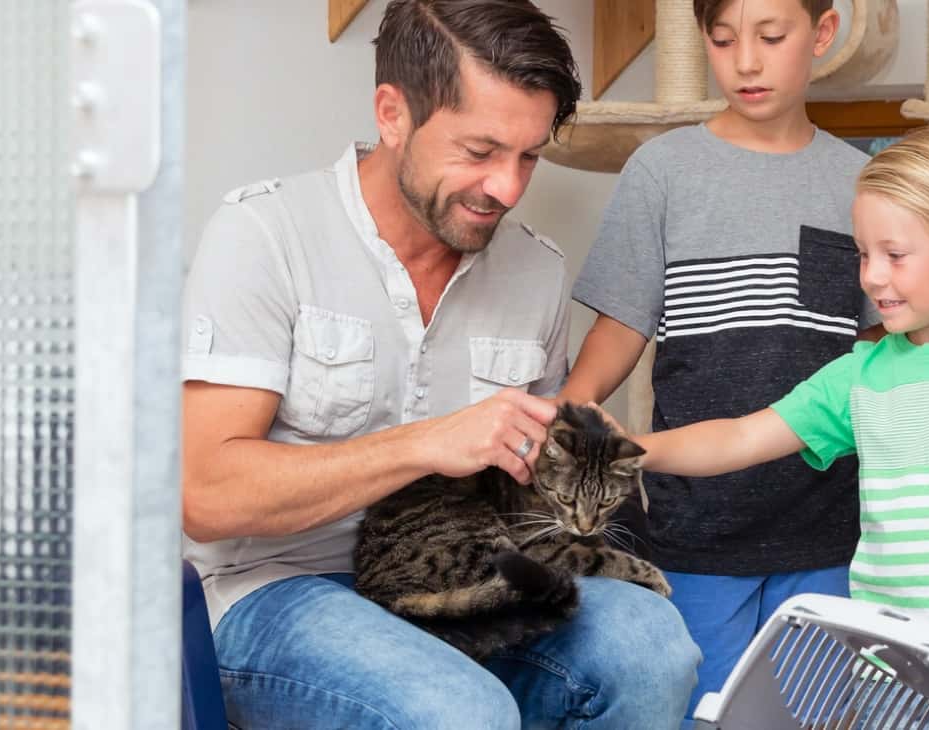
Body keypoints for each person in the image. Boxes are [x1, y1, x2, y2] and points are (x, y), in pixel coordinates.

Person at [179, 2, 698, 727]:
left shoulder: (535, 272)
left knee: (651, 647)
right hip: (274, 588)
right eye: (479, 151)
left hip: (478, 571)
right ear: (392, 114)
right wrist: (426, 442)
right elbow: (204, 496)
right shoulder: (264, 235)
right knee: (459, 711)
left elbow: (538, 493)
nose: (508, 189)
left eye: (529, 155)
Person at [635, 126, 929, 645]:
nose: (872, 277)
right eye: (863, 254)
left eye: (895, 255)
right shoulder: (859, 375)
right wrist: (629, 449)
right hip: (889, 665)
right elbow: (742, 438)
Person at [561, 0, 881, 716]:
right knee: (706, 710)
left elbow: (876, 348)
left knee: (819, 714)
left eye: (771, 37)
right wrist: (569, 416)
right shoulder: (662, 169)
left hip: (828, 530)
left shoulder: (857, 181)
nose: (746, 61)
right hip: (694, 531)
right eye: (723, 39)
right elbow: (621, 324)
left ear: (822, 35)